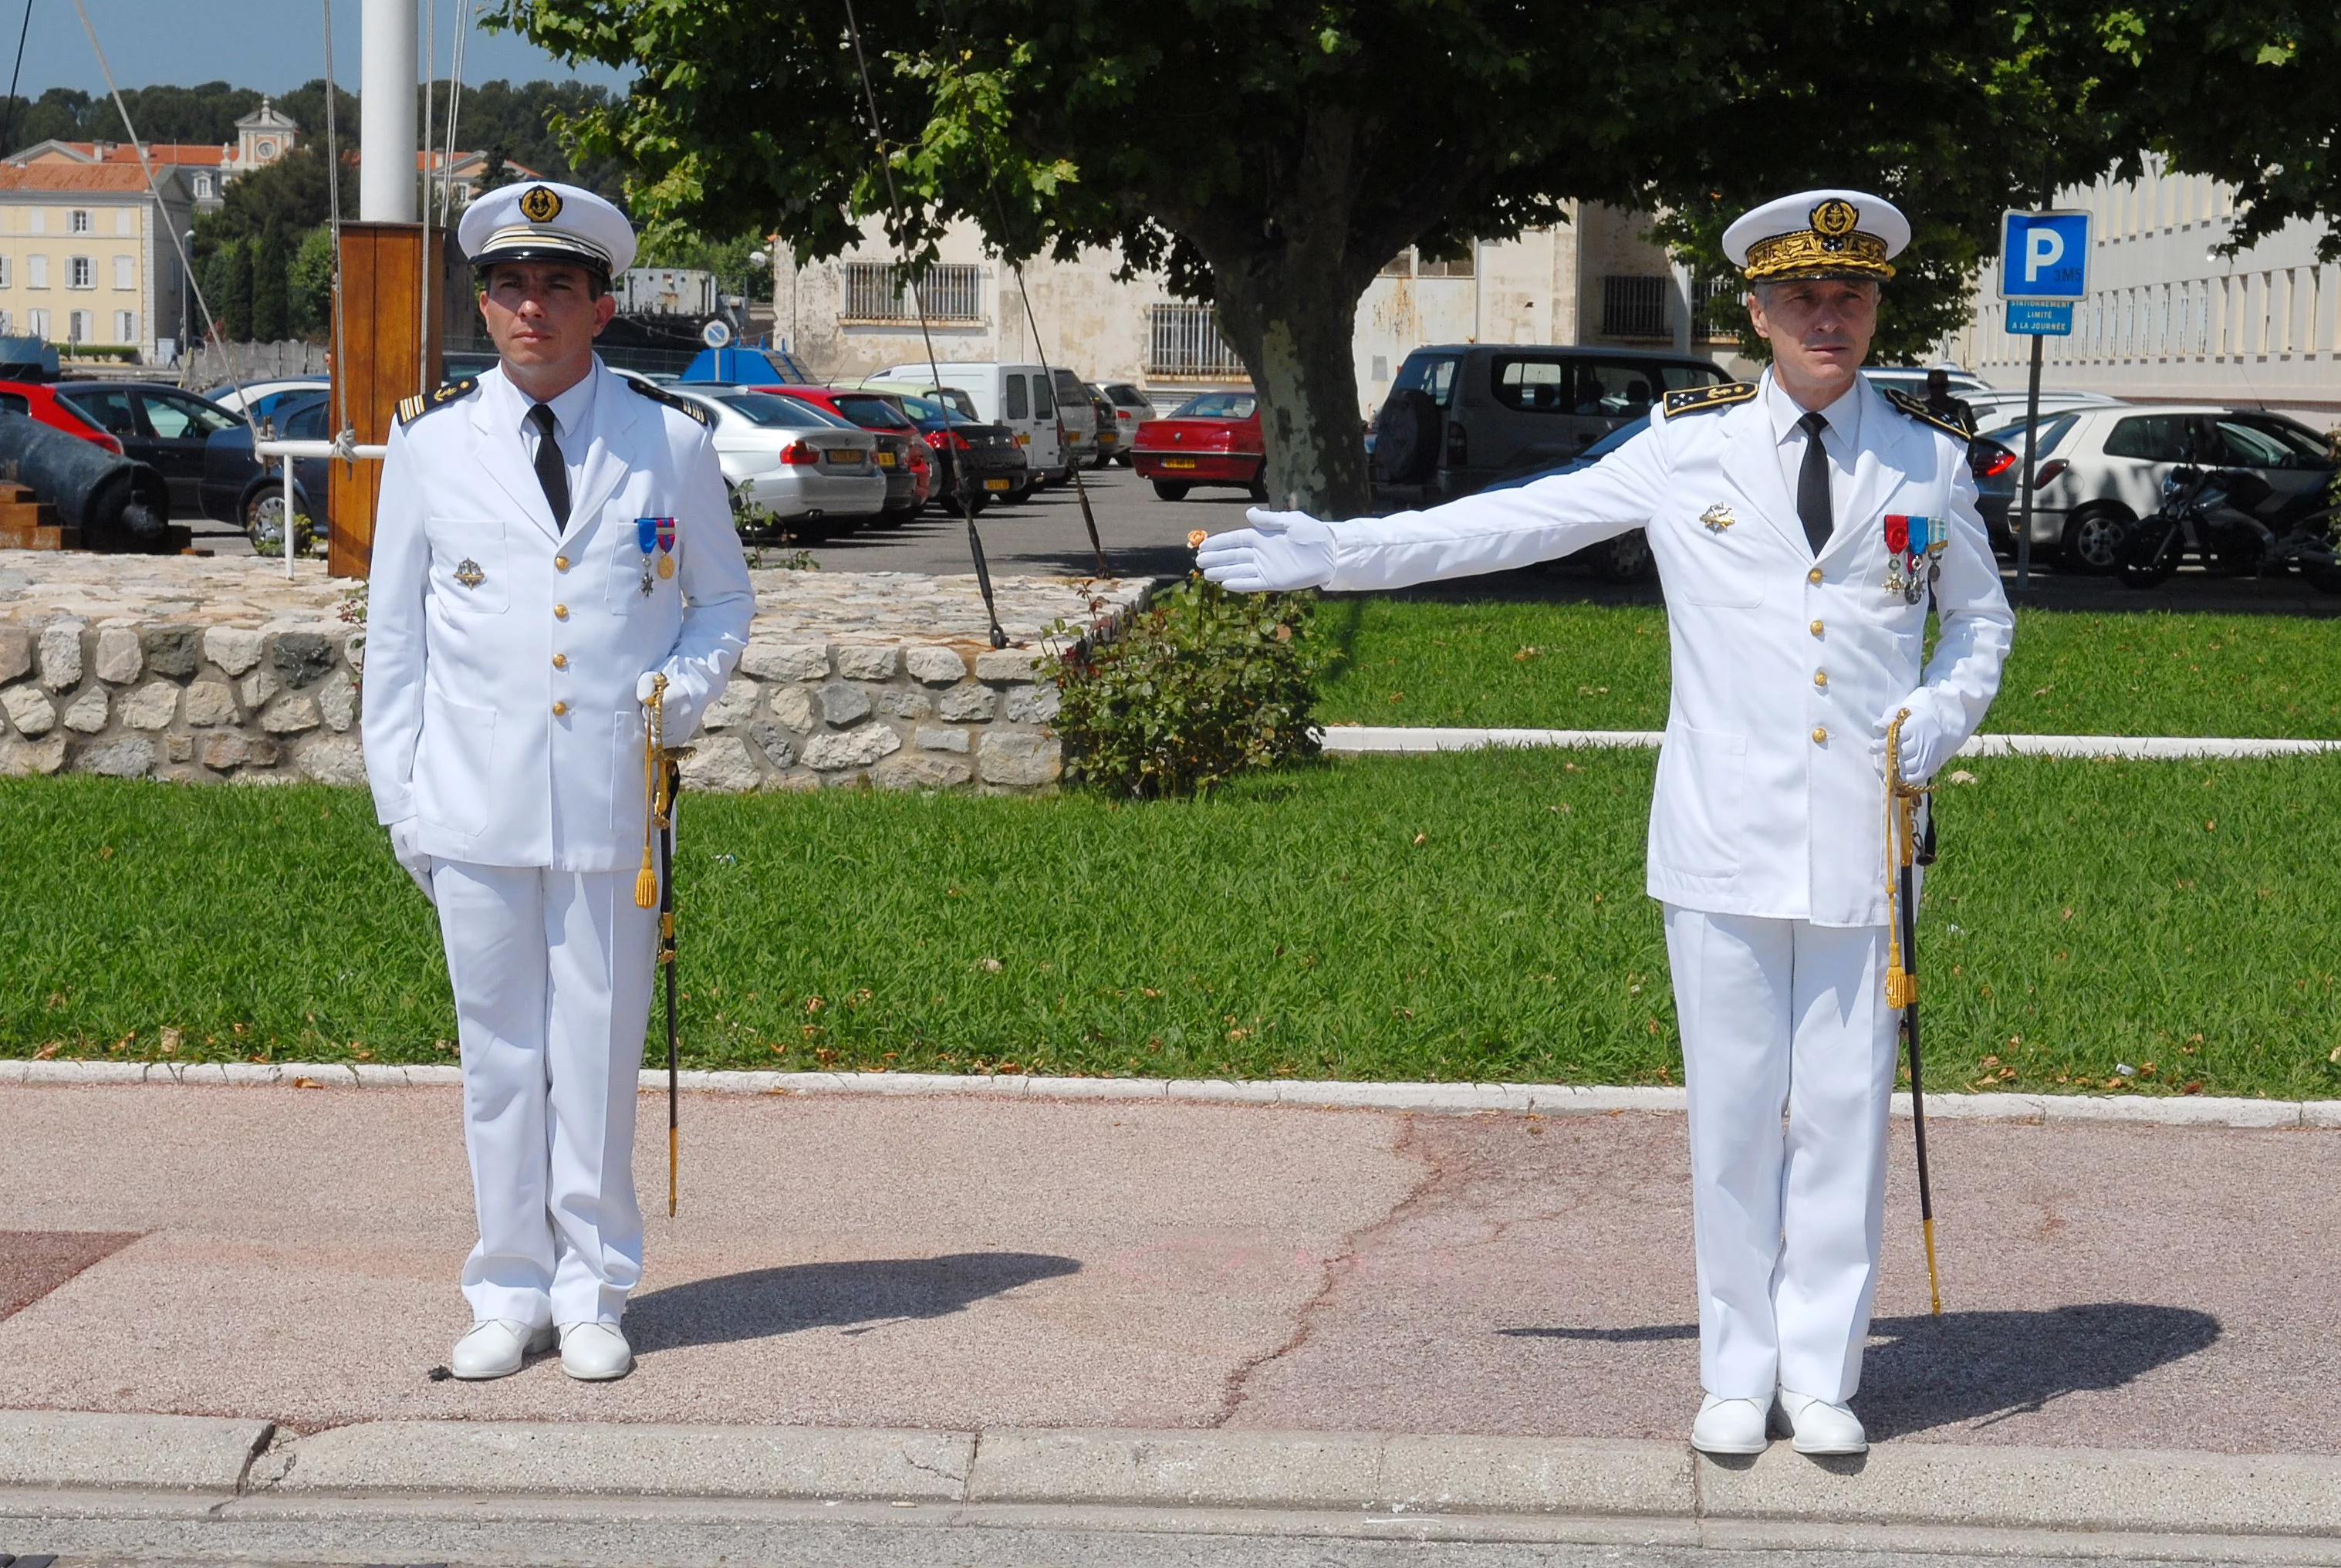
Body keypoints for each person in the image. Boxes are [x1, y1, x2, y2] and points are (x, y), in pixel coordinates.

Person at [1197, 190, 2012, 1457]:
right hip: (1720, 838)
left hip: (1861, 835)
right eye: (1799, 297)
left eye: (1847, 297)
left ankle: (1824, 1372)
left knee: (1843, 1115)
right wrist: (1336, 553)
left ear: (1871, 311)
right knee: (1734, 1115)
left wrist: (1942, 712)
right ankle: (1736, 1372)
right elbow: (1510, 520)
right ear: (1752, 313)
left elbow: (1977, 623)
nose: (1825, 318)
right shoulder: (1683, 452)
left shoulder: (1927, 462)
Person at [362, 181, 754, 1382]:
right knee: (497, 1059)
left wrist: (684, 693)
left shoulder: (665, 440)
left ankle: (592, 1291)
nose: (531, 307)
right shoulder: (430, 447)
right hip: (473, 804)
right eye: (510, 286)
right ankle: (507, 1287)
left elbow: (722, 599)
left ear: (601, 304)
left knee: (591, 1053)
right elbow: (395, 649)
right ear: (484, 302)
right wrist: (405, 806)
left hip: (610, 807)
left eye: (558, 287)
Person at [1923, 368, 1977, 435]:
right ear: (1928, 387)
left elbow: (1970, 433)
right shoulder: (1922, 409)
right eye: (1934, 386)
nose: (1938, 390)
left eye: (1942, 386)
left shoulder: (1961, 407)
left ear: (1948, 386)